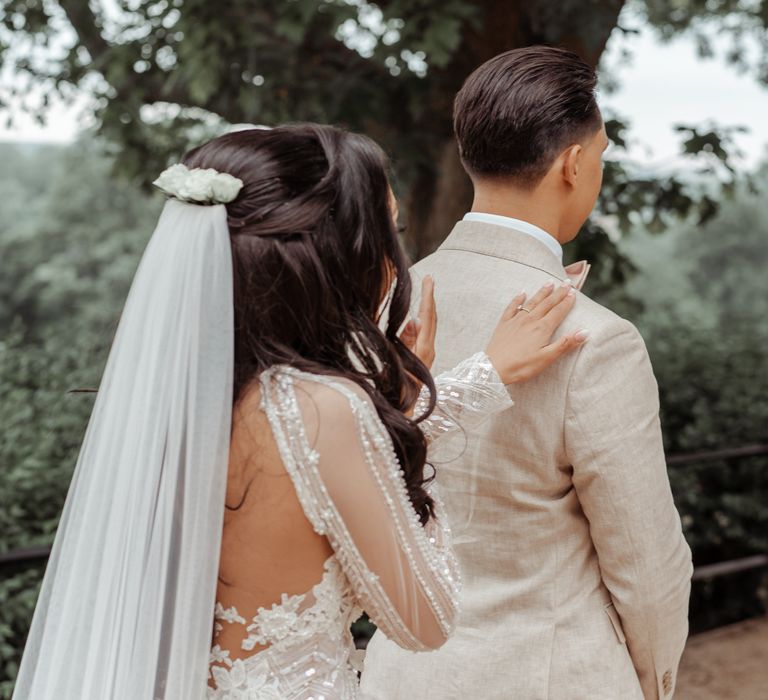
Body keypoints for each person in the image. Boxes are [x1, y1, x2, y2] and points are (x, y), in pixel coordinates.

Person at [12, 124, 586, 700]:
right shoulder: (323, 409)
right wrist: (409, 442)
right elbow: (426, 620)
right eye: (390, 230)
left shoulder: (171, 399)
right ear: (339, 254)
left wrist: (476, 380)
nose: (396, 256)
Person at [361, 46, 693, 700]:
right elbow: (647, 567)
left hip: (400, 675)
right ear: (574, 164)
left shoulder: (385, 306)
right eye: (599, 156)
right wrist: (653, 685)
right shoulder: (597, 340)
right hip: (553, 678)